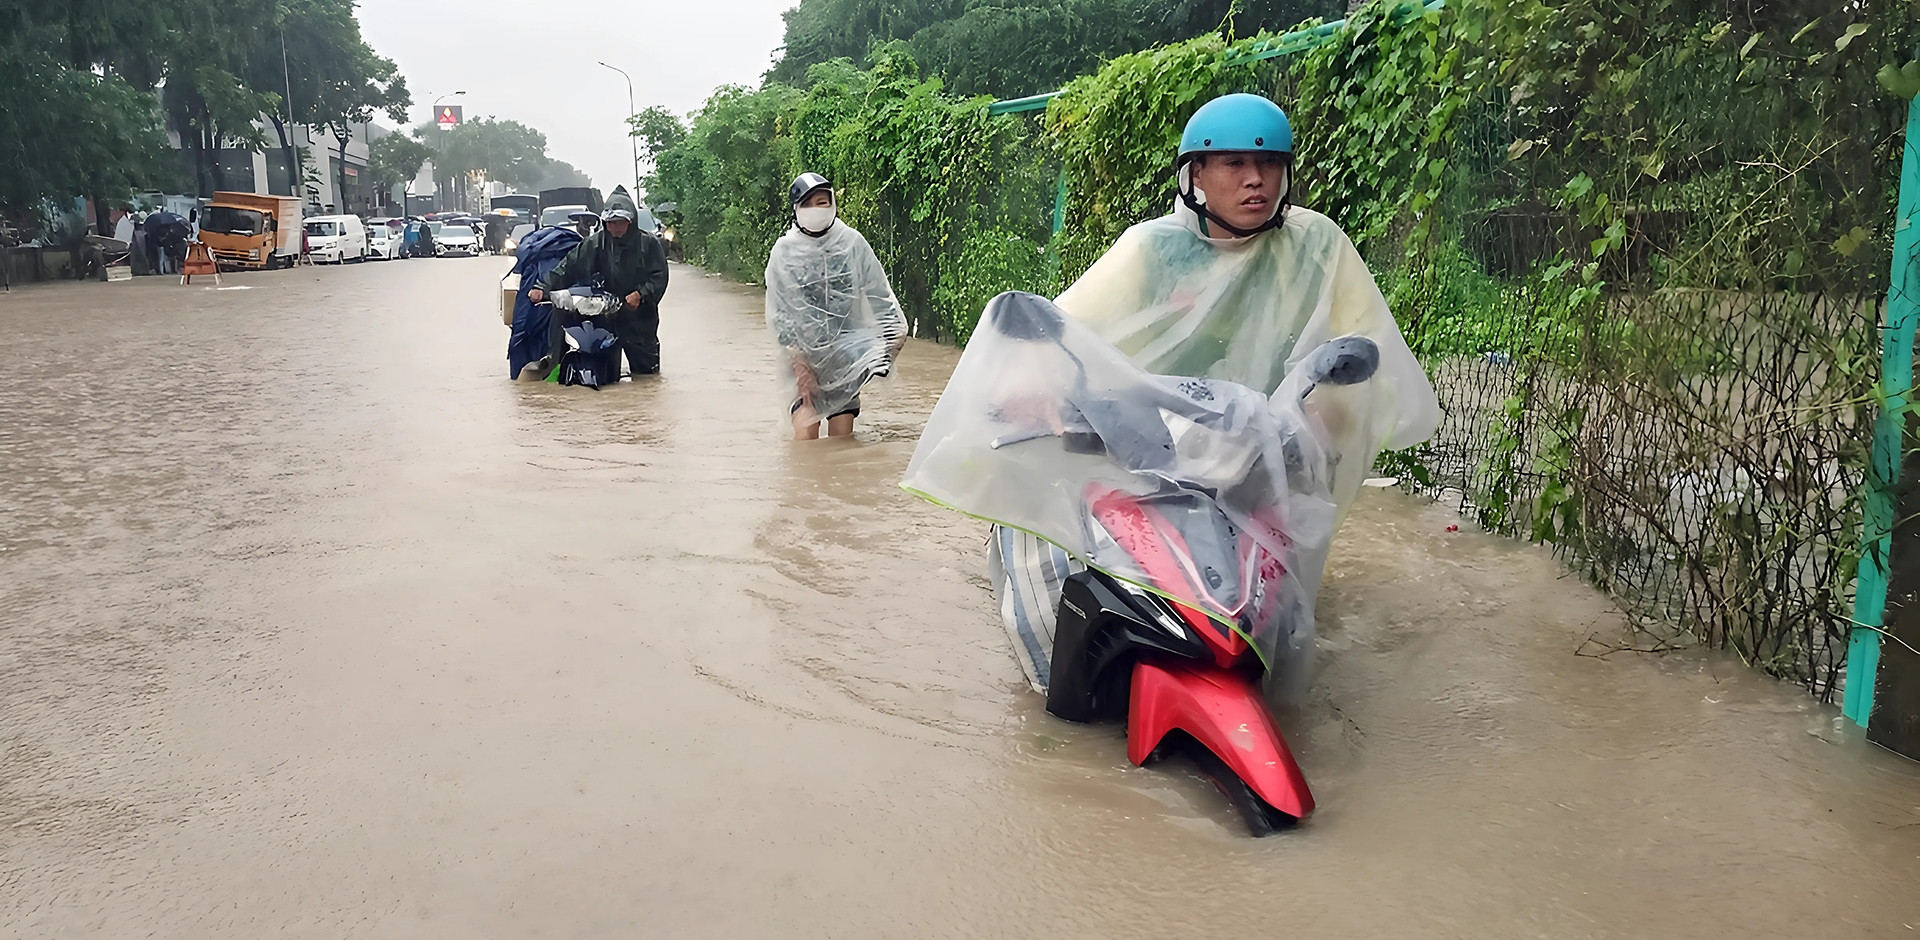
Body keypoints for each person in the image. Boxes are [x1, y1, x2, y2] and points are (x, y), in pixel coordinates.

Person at [981, 93, 1440, 696]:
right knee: (1054, 562)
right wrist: (1031, 391)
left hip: (1257, 450)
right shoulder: (1153, 249)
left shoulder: (1317, 246)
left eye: (1271, 164)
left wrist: (1323, 419)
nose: (1256, 180)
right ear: (1195, 174)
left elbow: (1359, 339)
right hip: (1150, 447)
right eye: (1232, 165)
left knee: (1293, 605)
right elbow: (1074, 322)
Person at [764, 173, 907, 440]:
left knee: (841, 444)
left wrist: (891, 340)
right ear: (796, 210)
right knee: (806, 439)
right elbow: (781, 314)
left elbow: (878, 294)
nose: (817, 210)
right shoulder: (784, 252)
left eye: (823, 202)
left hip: (843, 357)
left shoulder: (852, 243)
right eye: (808, 204)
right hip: (801, 358)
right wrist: (801, 367)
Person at [526, 186, 670, 377]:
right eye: (610, 223)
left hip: (639, 318)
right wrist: (542, 287)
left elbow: (659, 276)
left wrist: (641, 295)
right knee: (604, 372)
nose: (615, 227)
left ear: (630, 222)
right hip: (605, 316)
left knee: (646, 377)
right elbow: (568, 266)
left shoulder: (649, 244)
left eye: (620, 222)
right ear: (604, 222)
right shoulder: (595, 243)